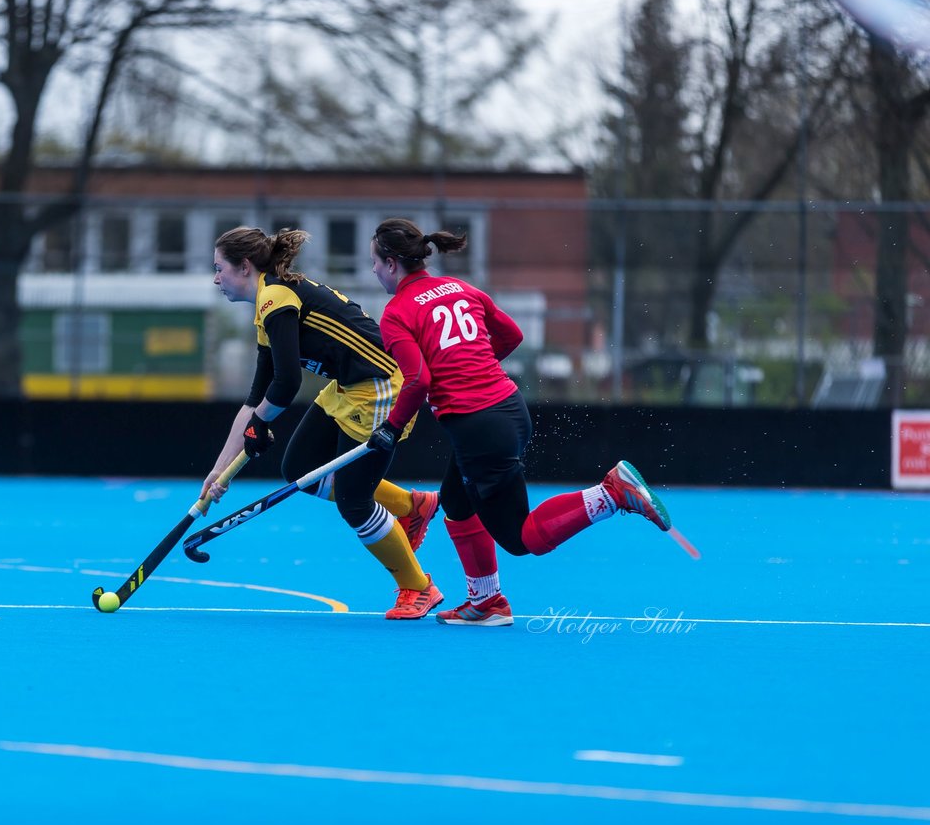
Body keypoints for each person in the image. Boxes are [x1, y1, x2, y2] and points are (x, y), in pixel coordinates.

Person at [366, 217, 672, 626]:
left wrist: (389, 429)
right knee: (456, 503)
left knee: (520, 538)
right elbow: (511, 336)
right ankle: (486, 602)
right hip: (509, 408)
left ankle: (610, 494)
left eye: (374, 261)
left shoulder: (397, 313)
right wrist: (473, 368)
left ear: (391, 264)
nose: (372, 271)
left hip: (478, 426)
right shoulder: (463, 288)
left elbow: (418, 380)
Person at [203, 226, 443, 620]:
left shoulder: (276, 300)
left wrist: (261, 424)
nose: (216, 279)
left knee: (354, 500)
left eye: (219, 269)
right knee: (299, 469)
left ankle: (418, 587)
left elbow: (287, 384)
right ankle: (411, 506)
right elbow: (256, 399)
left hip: (382, 387)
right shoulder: (269, 304)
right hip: (350, 386)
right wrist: (219, 472)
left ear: (244, 267)